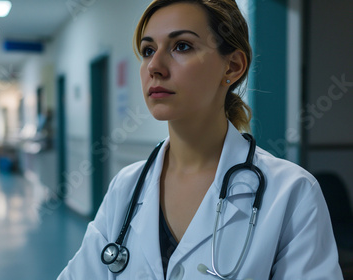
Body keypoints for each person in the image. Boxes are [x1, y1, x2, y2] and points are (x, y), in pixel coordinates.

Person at [58, 0, 343, 279]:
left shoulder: (291, 192)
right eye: (147, 50)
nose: (154, 66)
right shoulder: (126, 187)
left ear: (232, 66)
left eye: (181, 46)